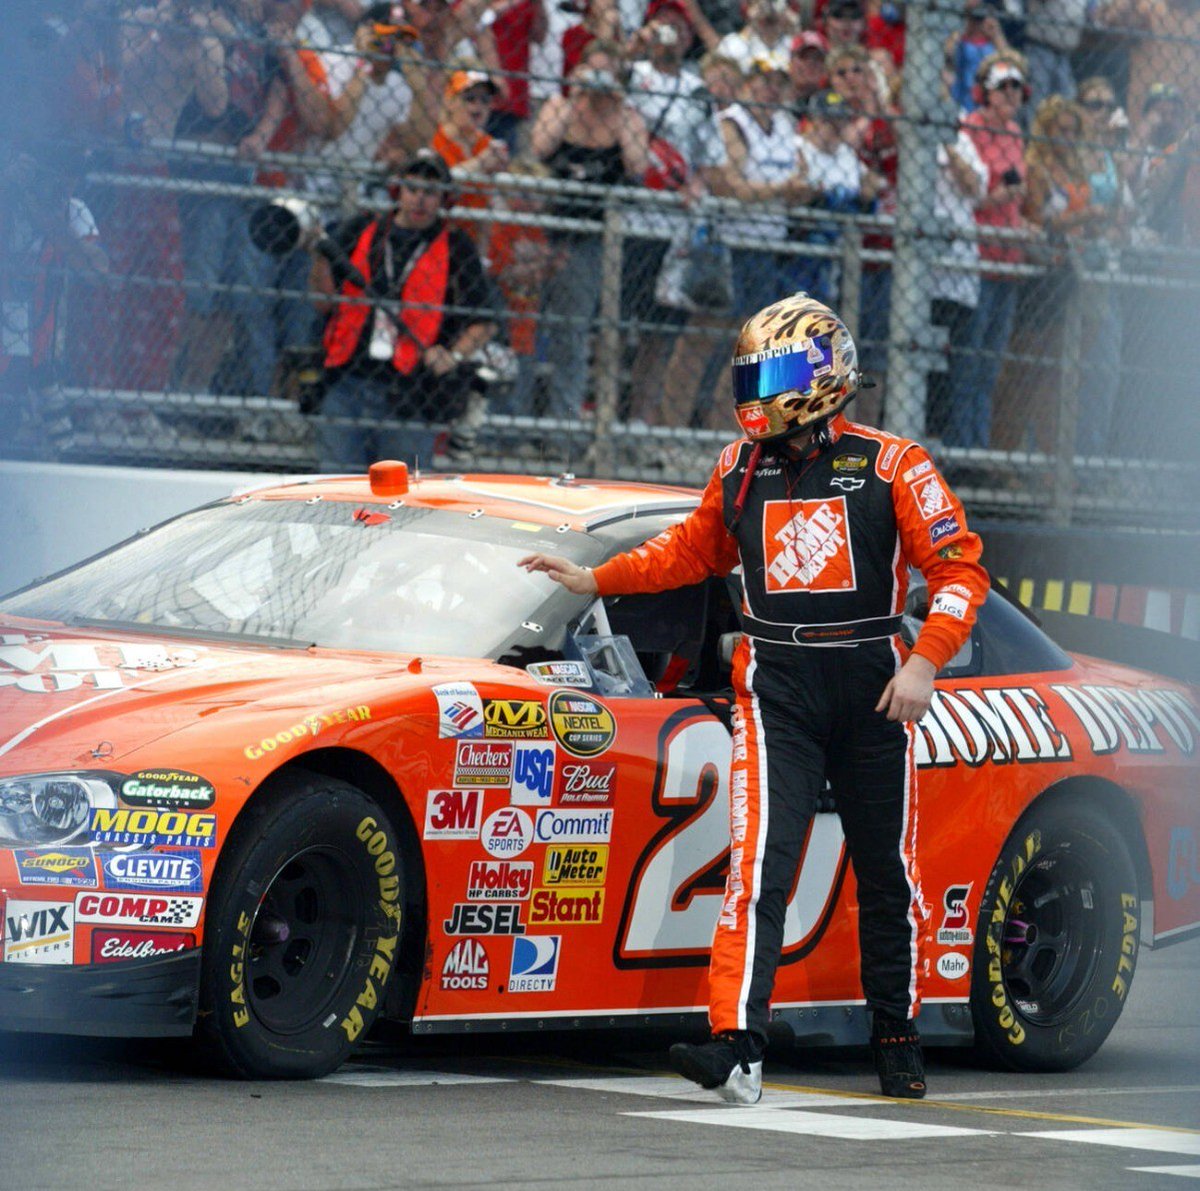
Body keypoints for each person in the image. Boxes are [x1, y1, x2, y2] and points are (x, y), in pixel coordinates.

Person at [518, 292, 989, 1103]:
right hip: (777, 684)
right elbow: (689, 550)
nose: (756, 389)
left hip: (876, 681)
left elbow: (961, 572)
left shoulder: (893, 464)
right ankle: (737, 1045)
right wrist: (596, 577)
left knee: (887, 870)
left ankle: (897, 1034)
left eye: (771, 373)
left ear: (822, 376)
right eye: (752, 373)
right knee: (759, 868)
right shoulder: (738, 467)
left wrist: (924, 665)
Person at [310, 149, 496, 468]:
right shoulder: (363, 229)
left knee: (403, 495)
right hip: (347, 377)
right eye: (413, 189)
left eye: (431, 192)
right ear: (398, 191)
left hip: (412, 390)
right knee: (337, 487)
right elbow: (323, 301)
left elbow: (484, 322)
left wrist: (453, 355)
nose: (420, 200)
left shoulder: (456, 246)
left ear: (444, 199)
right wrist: (319, 255)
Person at [530, 40, 649, 415]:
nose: (598, 79)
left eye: (606, 71)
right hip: (544, 228)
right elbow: (539, 148)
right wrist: (576, 95)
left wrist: (616, 103)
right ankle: (514, 419)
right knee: (524, 327)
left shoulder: (626, 115)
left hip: (592, 238)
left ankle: (561, 422)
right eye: (591, 69)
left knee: (573, 334)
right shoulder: (559, 106)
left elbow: (636, 164)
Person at [948, 51, 1028, 448]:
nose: (1011, 93)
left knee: (991, 366)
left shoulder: (1015, 132)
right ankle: (963, 445)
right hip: (978, 256)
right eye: (1002, 87)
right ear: (984, 92)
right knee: (969, 360)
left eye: (1016, 86)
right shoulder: (971, 128)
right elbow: (969, 197)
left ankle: (979, 447)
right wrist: (1001, 196)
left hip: (1008, 259)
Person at [431, 67, 510, 237]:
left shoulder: (489, 144)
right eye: (470, 98)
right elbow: (439, 186)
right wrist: (480, 163)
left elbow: (494, 206)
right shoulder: (434, 137)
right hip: (437, 234)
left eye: (485, 100)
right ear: (450, 101)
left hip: (472, 238)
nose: (478, 106)